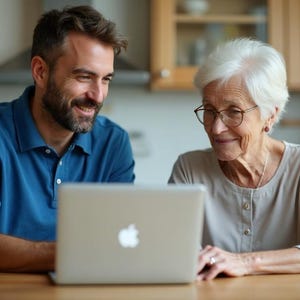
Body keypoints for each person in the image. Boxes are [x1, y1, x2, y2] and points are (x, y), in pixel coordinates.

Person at [0, 5, 135, 272]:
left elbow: (119, 238)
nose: (97, 95)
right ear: (40, 71)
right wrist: (72, 252)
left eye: (106, 79)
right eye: (84, 77)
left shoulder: (113, 143)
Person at [168, 38, 300, 280]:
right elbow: (174, 250)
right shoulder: (189, 170)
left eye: (234, 112)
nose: (216, 128)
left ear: (271, 114)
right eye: (209, 110)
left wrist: (246, 262)